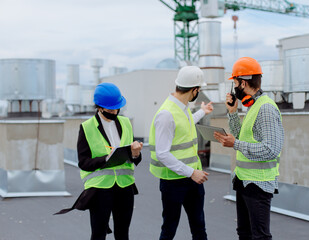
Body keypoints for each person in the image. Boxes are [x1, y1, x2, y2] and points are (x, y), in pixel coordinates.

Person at [55, 82, 143, 240]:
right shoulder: (87, 127)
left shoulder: (126, 123)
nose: (115, 112)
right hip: (100, 188)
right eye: (110, 109)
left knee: (123, 234)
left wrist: (135, 153)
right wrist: (106, 159)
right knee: (98, 234)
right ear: (99, 107)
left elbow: (133, 157)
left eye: (117, 108)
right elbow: (83, 162)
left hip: (125, 186)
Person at [214, 57, 284, 240]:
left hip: (259, 184)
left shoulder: (266, 108)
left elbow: (271, 149)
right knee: (244, 233)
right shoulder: (253, 106)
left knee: (259, 236)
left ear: (243, 83)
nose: (234, 88)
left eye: (235, 83)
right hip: (245, 181)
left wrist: (235, 144)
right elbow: (241, 137)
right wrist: (232, 112)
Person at [149, 66, 214, 240]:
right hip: (174, 182)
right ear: (194, 90)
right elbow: (162, 154)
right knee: (169, 229)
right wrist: (192, 172)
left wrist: (202, 111)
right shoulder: (166, 114)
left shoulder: (182, 108)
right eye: (199, 90)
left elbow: (185, 123)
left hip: (192, 179)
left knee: (199, 227)